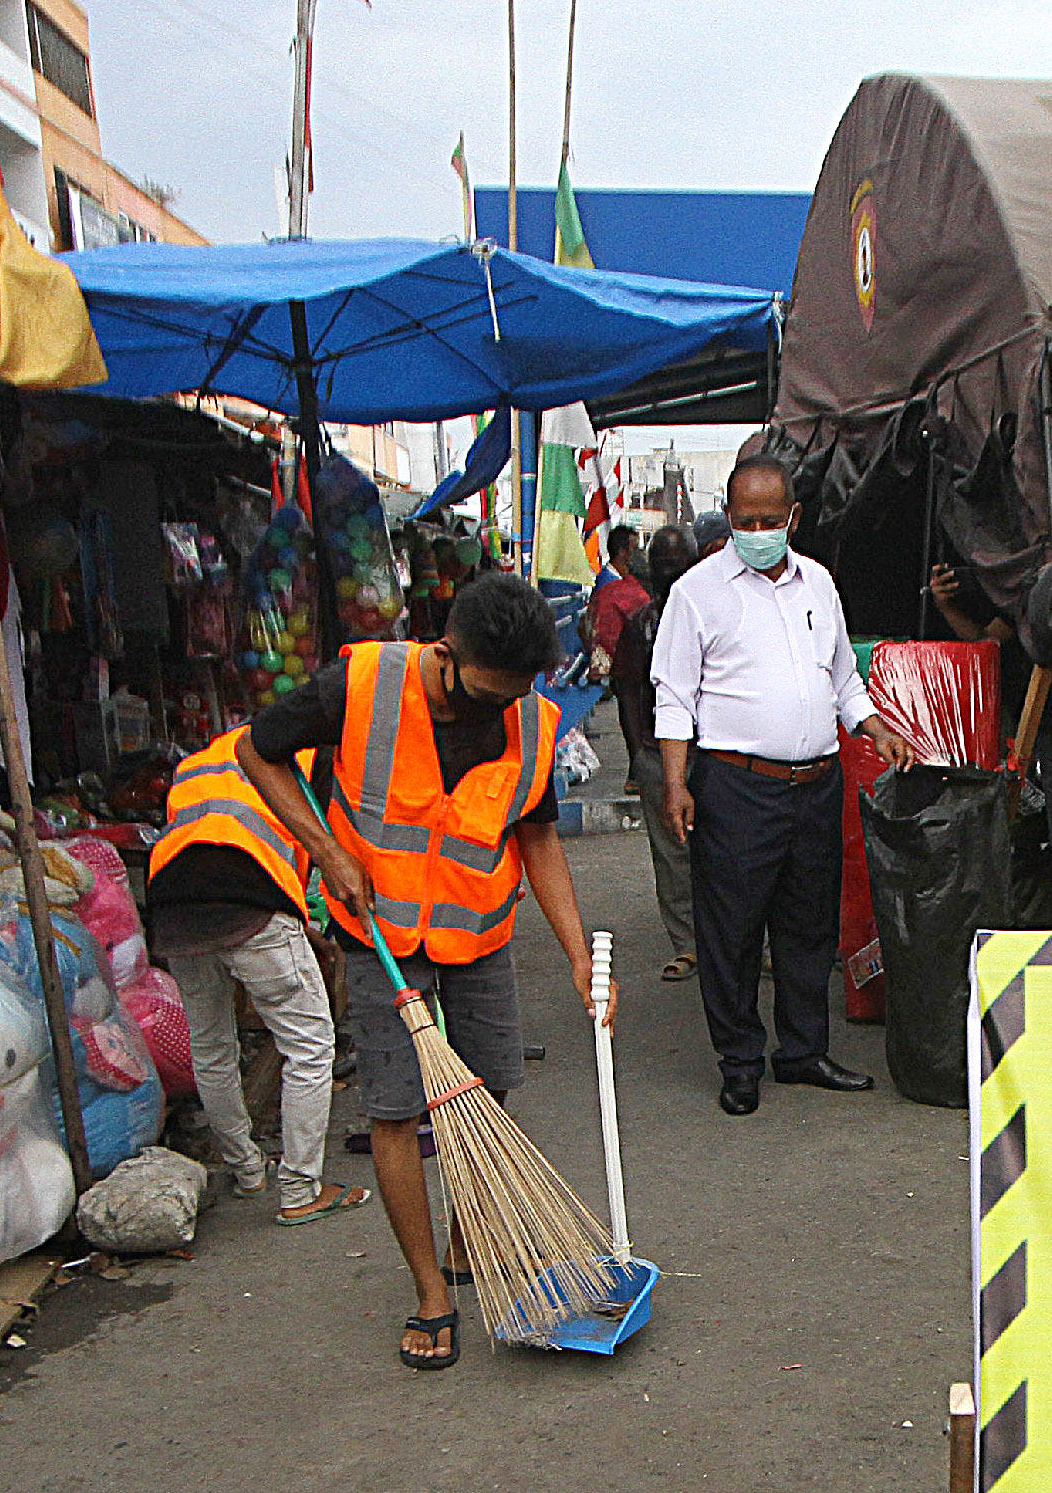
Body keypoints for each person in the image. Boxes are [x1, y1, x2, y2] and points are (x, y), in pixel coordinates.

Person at [231, 572, 604, 1369]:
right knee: (398, 1110)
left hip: (479, 931)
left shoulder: (530, 721)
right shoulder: (364, 682)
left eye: (513, 695)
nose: (497, 712)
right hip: (380, 934)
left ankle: (468, 1241)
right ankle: (431, 1291)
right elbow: (255, 750)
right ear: (447, 655)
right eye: (483, 694)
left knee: (488, 1091)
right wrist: (327, 854)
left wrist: (577, 952)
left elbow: (535, 837)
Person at [652, 461, 915, 1113]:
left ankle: (801, 1051)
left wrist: (873, 726)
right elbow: (674, 696)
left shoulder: (818, 584)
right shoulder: (697, 592)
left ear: (794, 518)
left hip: (816, 783)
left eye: (771, 521)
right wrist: (677, 783)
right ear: (730, 514)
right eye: (746, 522)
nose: (759, 532)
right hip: (736, 786)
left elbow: (842, 678)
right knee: (734, 930)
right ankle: (739, 1060)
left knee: (807, 925)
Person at [144, 711, 371, 1233]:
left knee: (211, 1045)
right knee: (311, 1045)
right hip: (249, 895)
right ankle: (301, 1190)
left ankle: (246, 1170)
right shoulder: (309, 759)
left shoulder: (200, 761)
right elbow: (326, 852)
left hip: (173, 905)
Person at [611, 524, 704, 979]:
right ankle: (686, 944)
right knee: (671, 852)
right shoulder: (639, 625)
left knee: (729, 850)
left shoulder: (712, 617)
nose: (670, 574)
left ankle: (740, 942)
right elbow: (626, 691)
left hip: (714, 753)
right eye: (663, 566)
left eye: (678, 565)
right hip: (655, 751)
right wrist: (638, 755)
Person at [587, 525, 650, 681]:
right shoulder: (610, 586)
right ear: (623, 552)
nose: (640, 555)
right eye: (636, 549)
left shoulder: (615, 579)